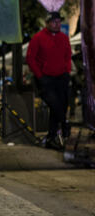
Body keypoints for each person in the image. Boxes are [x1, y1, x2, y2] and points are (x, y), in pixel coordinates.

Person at [26, 12, 72, 150]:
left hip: (61, 77)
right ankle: (65, 124)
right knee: (55, 104)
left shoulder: (64, 38)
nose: (57, 24)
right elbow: (30, 58)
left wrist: (67, 71)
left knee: (59, 106)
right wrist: (40, 76)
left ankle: (52, 138)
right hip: (46, 79)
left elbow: (68, 55)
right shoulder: (38, 38)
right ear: (47, 23)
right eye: (54, 22)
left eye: (58, 21)